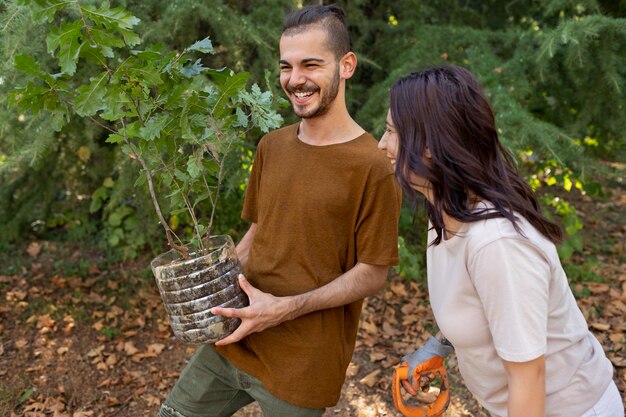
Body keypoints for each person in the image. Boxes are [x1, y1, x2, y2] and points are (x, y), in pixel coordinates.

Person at [157, 4, 401, 417]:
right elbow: (259, 234)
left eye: (310, 64)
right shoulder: (272, 145)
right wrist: (207, 287)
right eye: (286, 66)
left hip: (304, 362)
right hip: (234, 339)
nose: (295, 80)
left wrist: (284, 309)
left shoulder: (371, 164)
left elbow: (372, 273)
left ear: (346, 65)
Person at [377, 65, 623, 417]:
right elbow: (481, 304)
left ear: (429, 144)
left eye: (390, 131)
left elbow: (529, 378)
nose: (381, 144)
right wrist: (438, 346)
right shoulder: (446, 211)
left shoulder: (498, 245)